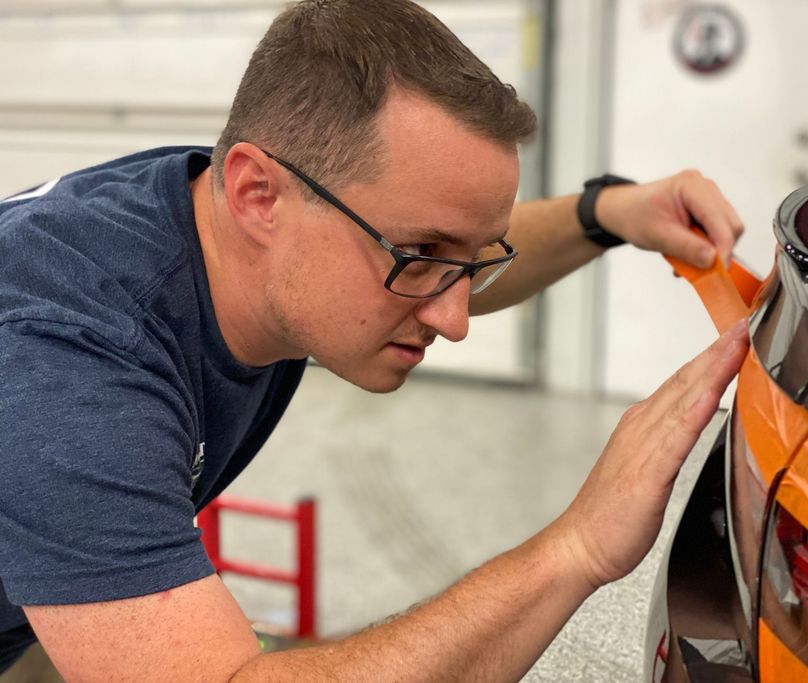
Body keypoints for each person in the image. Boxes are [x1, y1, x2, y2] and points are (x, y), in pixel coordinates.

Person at [0, 1, 748, 680]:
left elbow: (438, 245)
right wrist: (576, 547)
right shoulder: (72, 376)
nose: (455, 318)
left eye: (469, 258)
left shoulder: (233, 209)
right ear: (257, 194)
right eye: (419, 253)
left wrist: (606, 212)